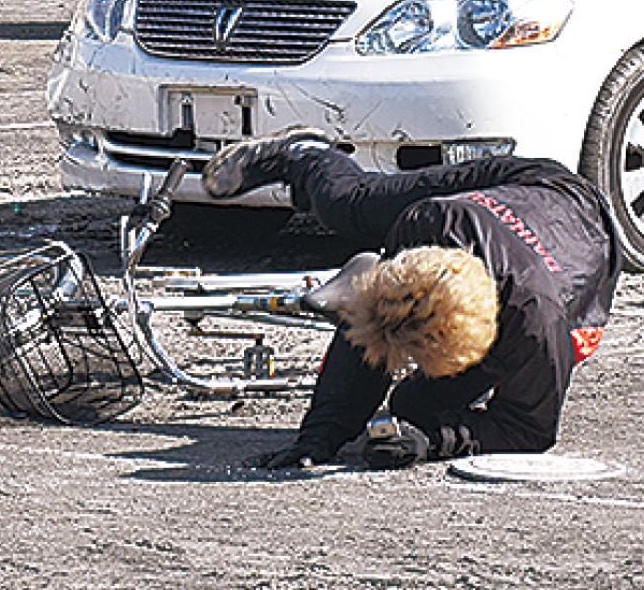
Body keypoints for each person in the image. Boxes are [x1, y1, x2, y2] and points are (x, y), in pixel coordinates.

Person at [201, 128, 622, 470]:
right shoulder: (428, 221)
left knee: (414, 410)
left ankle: (432, 400)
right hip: (515, 189)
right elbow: (370, 331)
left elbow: (527, 431)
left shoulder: (539, 328)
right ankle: (305, 153)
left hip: (571, 217)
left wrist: (432, 441)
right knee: (349, 204)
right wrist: (322, 433)